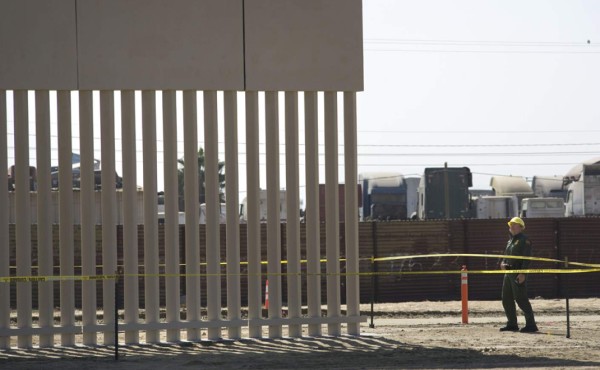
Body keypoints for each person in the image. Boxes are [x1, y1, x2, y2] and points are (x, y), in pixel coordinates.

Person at [499, 217, 539, 333]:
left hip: (517, 273)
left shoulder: (524, 240)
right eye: (511, 225)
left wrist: (523, 273)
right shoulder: (510, 241)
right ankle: (512, 324)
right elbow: (506, 256)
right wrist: (503, 263)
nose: (512, 227)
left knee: (521, 299)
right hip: (508, 273)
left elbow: (526, 258)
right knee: (506, 299)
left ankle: (531, 325)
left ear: (521, 227)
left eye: (515, 225)